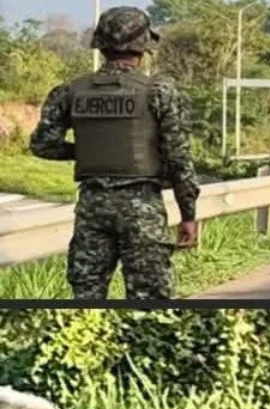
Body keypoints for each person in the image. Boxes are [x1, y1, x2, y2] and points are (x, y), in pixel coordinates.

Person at [29, 6, 199, 300]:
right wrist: (188, 215)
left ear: (101, 44)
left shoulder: (70, 91)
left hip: (91, 207)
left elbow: (42, 143)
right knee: (149, 299)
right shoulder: (159, 91)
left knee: (86, 299)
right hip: (142, 207)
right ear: (144, 45)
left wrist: (88, 150)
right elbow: (178, 157)